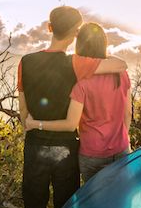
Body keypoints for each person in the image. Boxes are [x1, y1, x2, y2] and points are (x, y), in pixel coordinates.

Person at [18, 7, 127, 208]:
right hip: (66, 147)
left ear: (49, 27)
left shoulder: (25, 62)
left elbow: (23, 113)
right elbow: (120, 65)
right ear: (76, 32)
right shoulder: (76, 63)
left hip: (35, 145)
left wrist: (33, 124)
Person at [26, 22, 131, 183]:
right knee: (122, 197)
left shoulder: (81, 83)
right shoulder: (121, 74)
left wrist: (35, 124)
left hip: (92, 153)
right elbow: (127, 113)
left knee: (94, 201)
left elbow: (71, 124)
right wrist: (122, 138)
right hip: (121, 148)